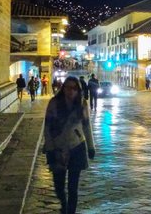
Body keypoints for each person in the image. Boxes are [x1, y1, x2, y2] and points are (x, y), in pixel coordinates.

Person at [44, 77, 95, 214]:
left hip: (77, 146)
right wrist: (49, 148)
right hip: (57, 148)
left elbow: (86, 125)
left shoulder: (82, 104)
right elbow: (47, 127)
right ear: (63, 88)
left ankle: (70, 211)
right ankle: (64, 204)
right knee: (59, 185)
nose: (71, 91)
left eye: (74, 88)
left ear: (78, 90)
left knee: (73, 187)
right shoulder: (54, 103)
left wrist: (91, 146)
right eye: (68, 87)